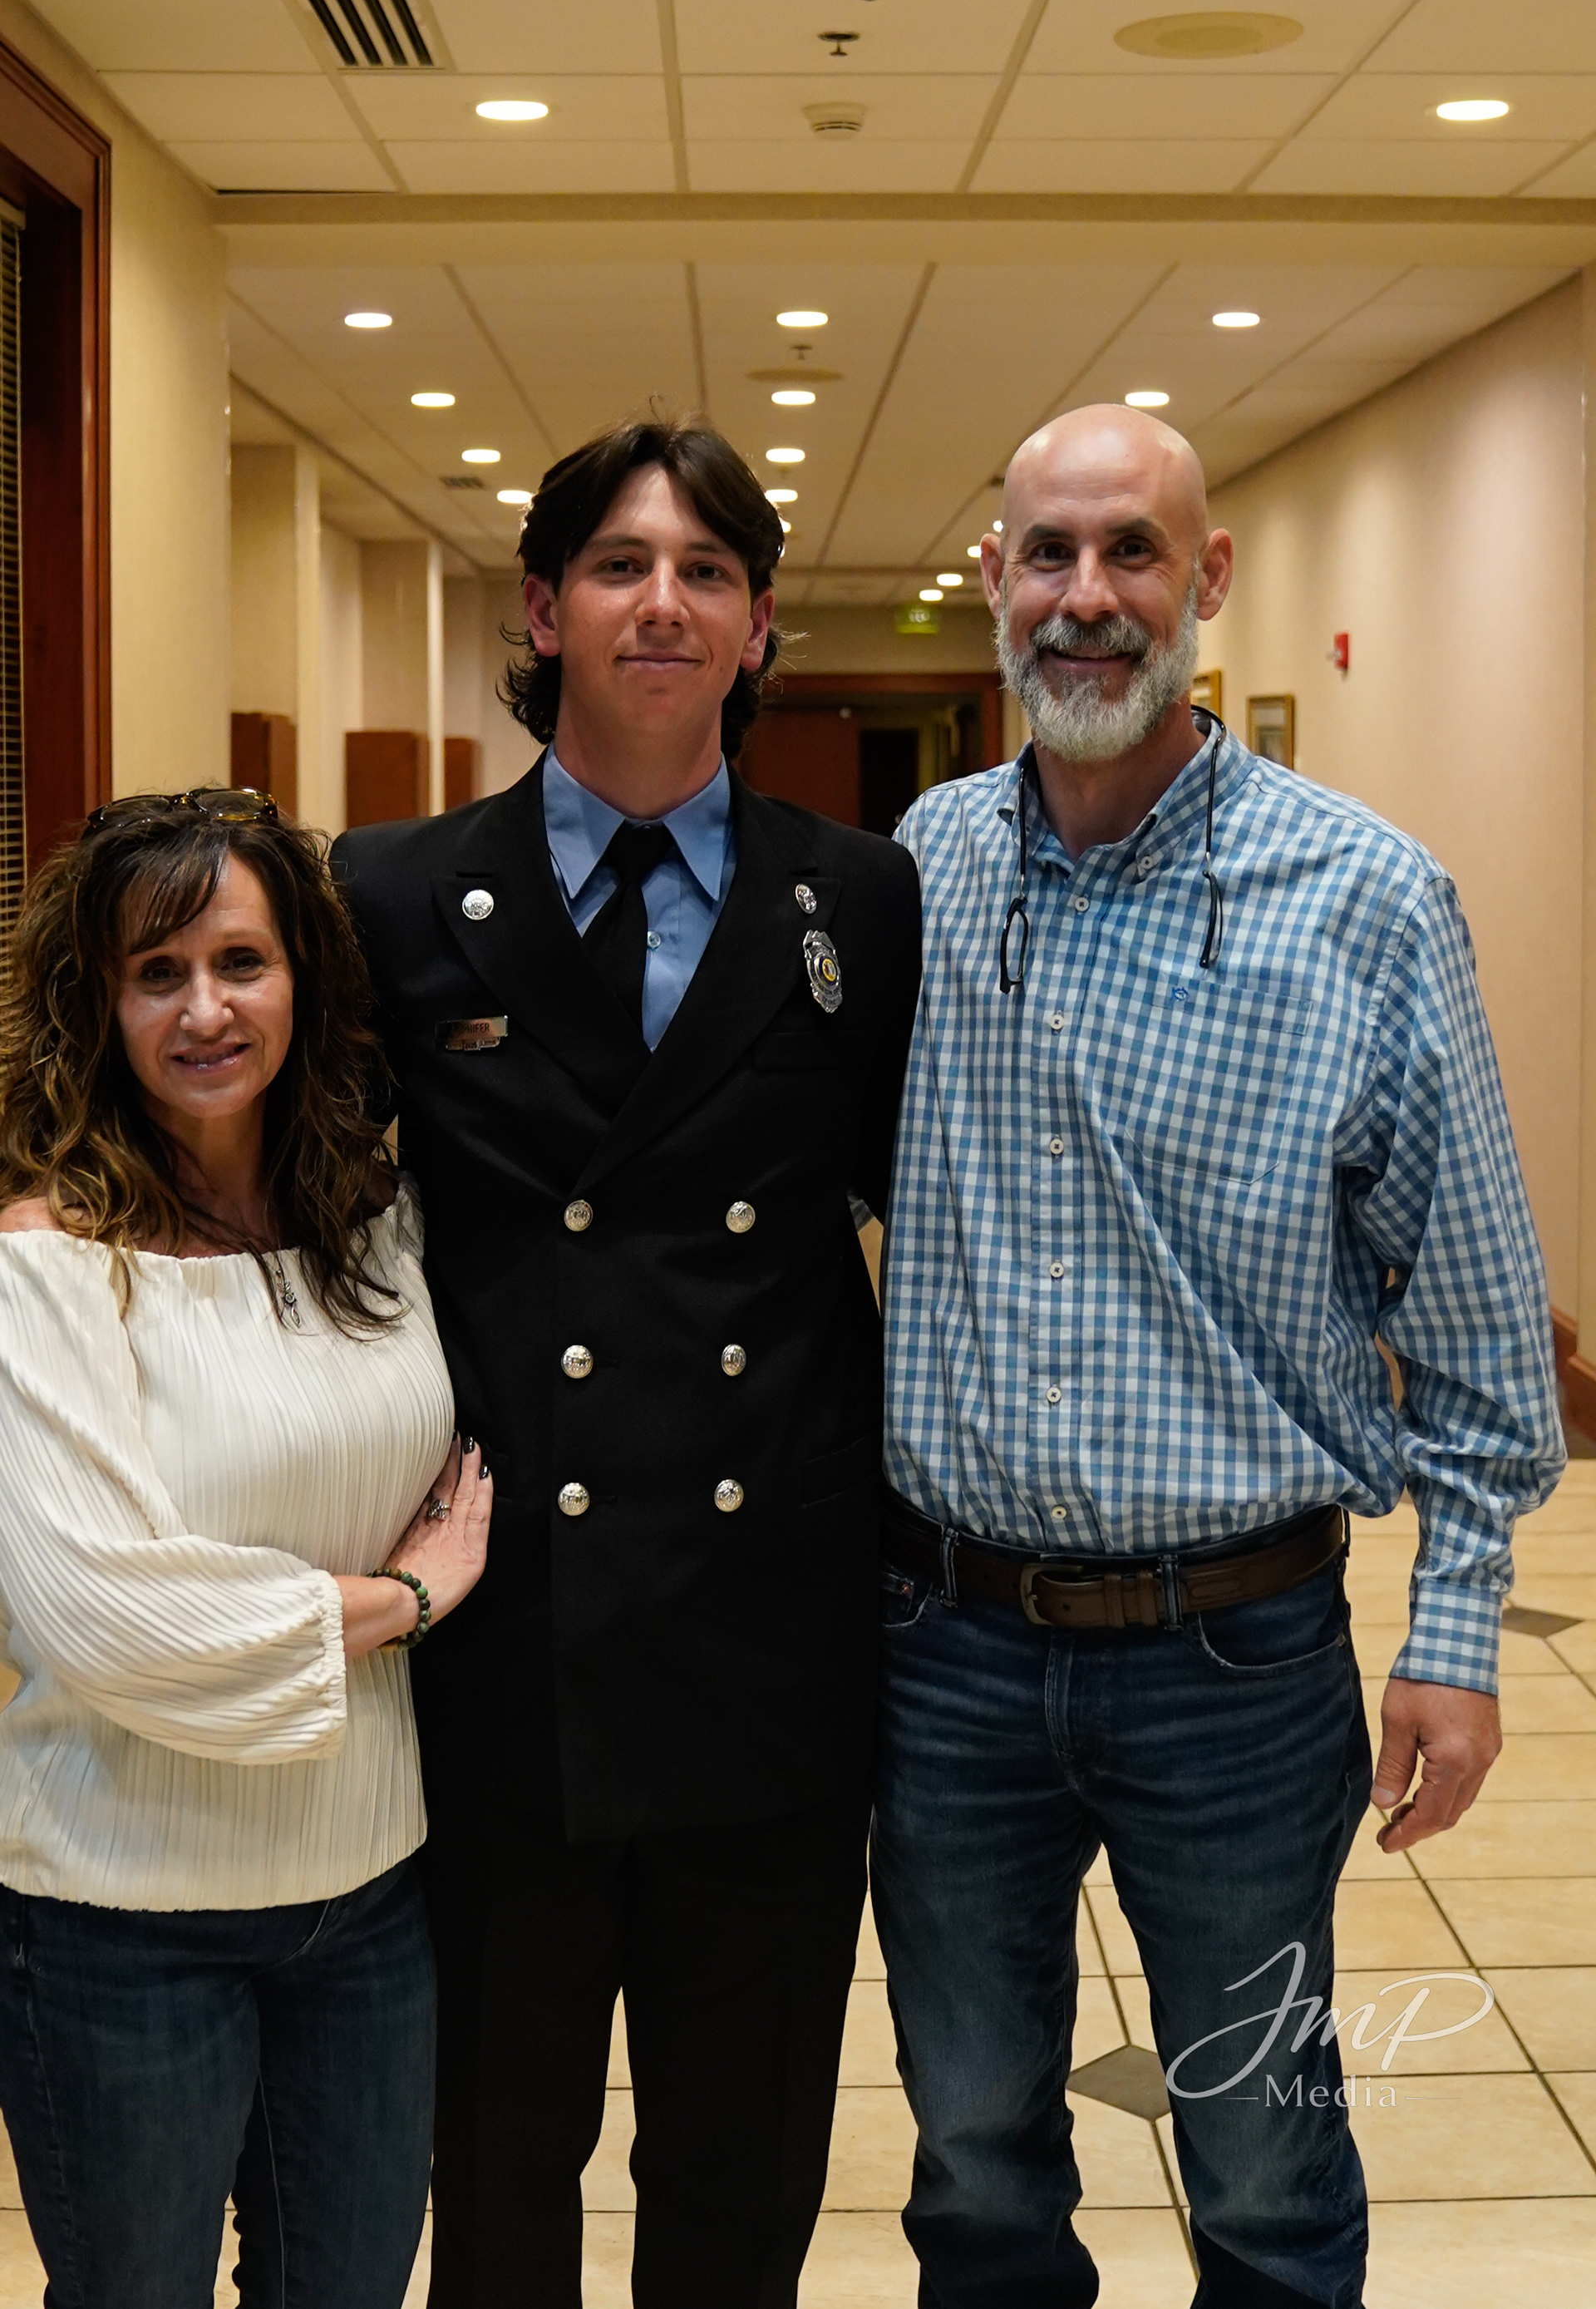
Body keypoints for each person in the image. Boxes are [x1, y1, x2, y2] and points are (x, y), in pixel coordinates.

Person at [874, 404, 1564, 2309]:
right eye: (1049, 552)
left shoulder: (1366, 899)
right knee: (973, 2152)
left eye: (1133, 551)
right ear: (995, 577)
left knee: (1263, 2163)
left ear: (1211, 577)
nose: (1087, 596)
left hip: (1235, 1665)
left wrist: (1455, 1632)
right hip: (945, 1653)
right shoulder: (922, 868)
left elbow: (1478, 1322)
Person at [333, 412, 921, 2309]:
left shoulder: (858, 897)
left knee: (738, 2182)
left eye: (706, 571)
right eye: (618, 565)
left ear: (756, 625)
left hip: (767, 1641)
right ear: (543, 609)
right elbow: (296, 1196)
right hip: (510, 1641)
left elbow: (927, 1197)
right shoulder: (393, 891)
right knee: (498, 2167)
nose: (662, 602)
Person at [0, 790, 493, 2309]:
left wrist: (317, 1608)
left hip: (369, 1890)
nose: (205, 1009)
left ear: (304, 978)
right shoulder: (46, 1268)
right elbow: (103, 1614)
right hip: (117, 1917)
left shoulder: (376, 1229)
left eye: (240, 961)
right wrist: (402, 1596)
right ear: (97, 1005)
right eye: (156, 973)